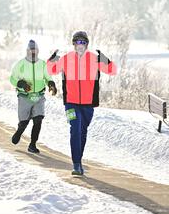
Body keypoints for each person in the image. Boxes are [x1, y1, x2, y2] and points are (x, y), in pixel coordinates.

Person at [47, 31, 117, 175]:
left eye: (83, 42)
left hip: (88, 104)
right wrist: (51, 60)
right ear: (73, 44)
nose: (80, 45)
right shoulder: (66, 59)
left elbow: (112, 70)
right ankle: (76, 164)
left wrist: (104, 59)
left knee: (83, 132)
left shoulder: (94, 59)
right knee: (75, 129)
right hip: (70, 103)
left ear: (87, 44)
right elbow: (52, 70)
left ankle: (79, 160)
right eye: (77, 42)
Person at [10, 39, 57, 154]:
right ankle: (19, 132)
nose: (33, 52)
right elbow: (12, 78)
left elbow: (47, 77)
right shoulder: (20, 64)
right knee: (24, 122)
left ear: (38, 51)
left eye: (35, 50)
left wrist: (51, 84)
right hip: (25, 97)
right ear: (27, 51)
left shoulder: (42, 64)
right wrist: (20, 84)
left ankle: (32, 145)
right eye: (31, 50)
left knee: (38, 119)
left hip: (39, 97)